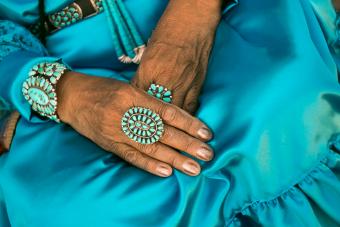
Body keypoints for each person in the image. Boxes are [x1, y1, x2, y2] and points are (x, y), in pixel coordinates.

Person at [0, 0, 339, 226]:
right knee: (64, 208)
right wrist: (59, 92)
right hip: (59, 77)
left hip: (223, 13)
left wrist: (194, 12)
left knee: (289, 110)